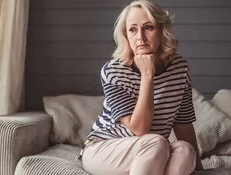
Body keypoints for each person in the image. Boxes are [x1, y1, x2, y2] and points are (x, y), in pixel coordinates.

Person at [81, 0, 204, 174]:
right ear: (126, 35)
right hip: (103, 148)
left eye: (148, 27)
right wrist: (148, 75)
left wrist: (199, 168)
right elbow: (139, 129)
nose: (140, 37)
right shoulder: (113, 70)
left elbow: (183, 124)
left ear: (162, 31)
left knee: (185, 150)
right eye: (132, 29)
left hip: (151, 151)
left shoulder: (180, 68)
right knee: (157, 141)